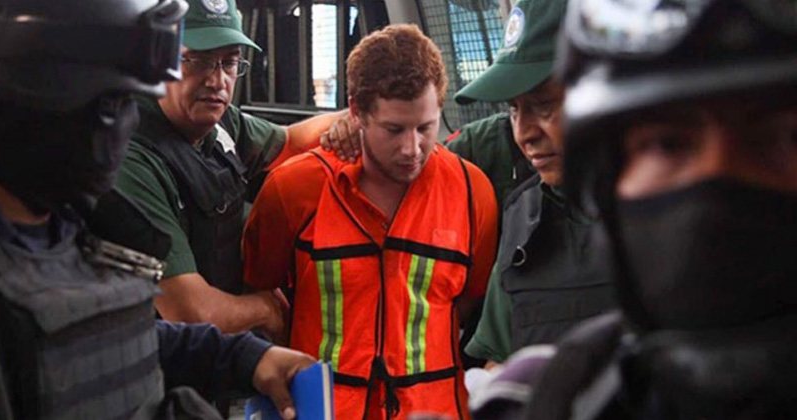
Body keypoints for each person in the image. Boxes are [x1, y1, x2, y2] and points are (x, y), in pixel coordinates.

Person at [0, 1, 316, 420]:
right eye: (112, 104)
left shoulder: (62, 229)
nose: (127, 124)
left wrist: (243, 357)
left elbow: (117, 336)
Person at [518, 0, 797, 418]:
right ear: (602, 187)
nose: (717, 178)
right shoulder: (565, 392)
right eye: (667, 144)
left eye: (784, 138)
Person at [243, 24, 499, 420]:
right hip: (323, 410)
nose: (412, 148)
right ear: (357, 111)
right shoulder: (295, 189)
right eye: (394, 130)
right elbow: (259, 288)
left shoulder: (472, 192)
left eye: (426, 127)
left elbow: (469, 299)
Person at [93, 0, 352, 336]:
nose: (218, 81)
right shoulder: (130, 159)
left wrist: (362, 117)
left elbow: (292, 140)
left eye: (229, 63)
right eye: (197, 61)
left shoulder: (220, 124)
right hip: (163, 355)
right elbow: (189, 312)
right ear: (157, 60)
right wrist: (264, 308)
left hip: (221, 346)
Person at [453, 0, 614, 368]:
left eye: (543, 106)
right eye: (513, 109)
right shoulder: (522, 218)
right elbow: (498, 364)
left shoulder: (671, 212)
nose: (523, 133)